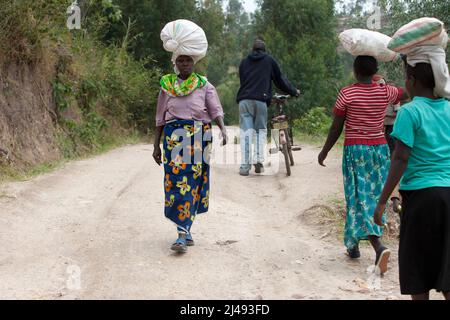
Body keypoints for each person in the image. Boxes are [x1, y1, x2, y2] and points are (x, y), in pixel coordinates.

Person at [318, 56, 407, 274]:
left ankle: (377, 246)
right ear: (375, 71)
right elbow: (407, 92)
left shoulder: (347, 94)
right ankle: (354, 244)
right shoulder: (385, 92)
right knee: (375, 196)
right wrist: (401, 69)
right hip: (379, 149)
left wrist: (325, 150)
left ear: (356, 72)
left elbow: (336, 127)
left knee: (356, 196)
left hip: (355, 150)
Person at [374, 53, 450, 300]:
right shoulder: (449, 108)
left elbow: (400, 158)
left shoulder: (409, 112)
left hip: (422, 199)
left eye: (406, 77)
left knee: (417, 269)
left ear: (413, 80)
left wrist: (383, 200)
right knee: (448, 269)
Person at [153, 22, 228, 253]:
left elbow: (215, 110)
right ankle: (183, 231)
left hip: (199, 137)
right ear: (175, 63)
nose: (184, 64)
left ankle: (184, 230)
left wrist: (223, 129)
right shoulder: (167, 85)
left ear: (193, 63)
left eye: (188, 60)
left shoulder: (204, 85)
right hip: (174, 138)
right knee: (177, 184)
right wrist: (156, 146)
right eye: (180, 60)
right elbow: (160, 118)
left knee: (192, 184)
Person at [236, 39, 300, 176]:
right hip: (260, 100)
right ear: (264, 51)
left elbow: (243, 81)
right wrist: (293, 91)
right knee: (260, 131)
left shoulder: (244, 62)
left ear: (253, 50)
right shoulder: (269, 60)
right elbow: (280, 80)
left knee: (246, 133)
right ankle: (258, 159)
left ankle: (244, 167)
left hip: (244, 101)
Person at [373, 74, 403, 213]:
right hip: (381, 128)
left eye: (381, 85)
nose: (379, 88)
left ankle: (393, 195)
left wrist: (384, 115)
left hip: (391, 128)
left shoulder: (392, 97)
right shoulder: (375, 97)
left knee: (391, 155)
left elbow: (397, 113)